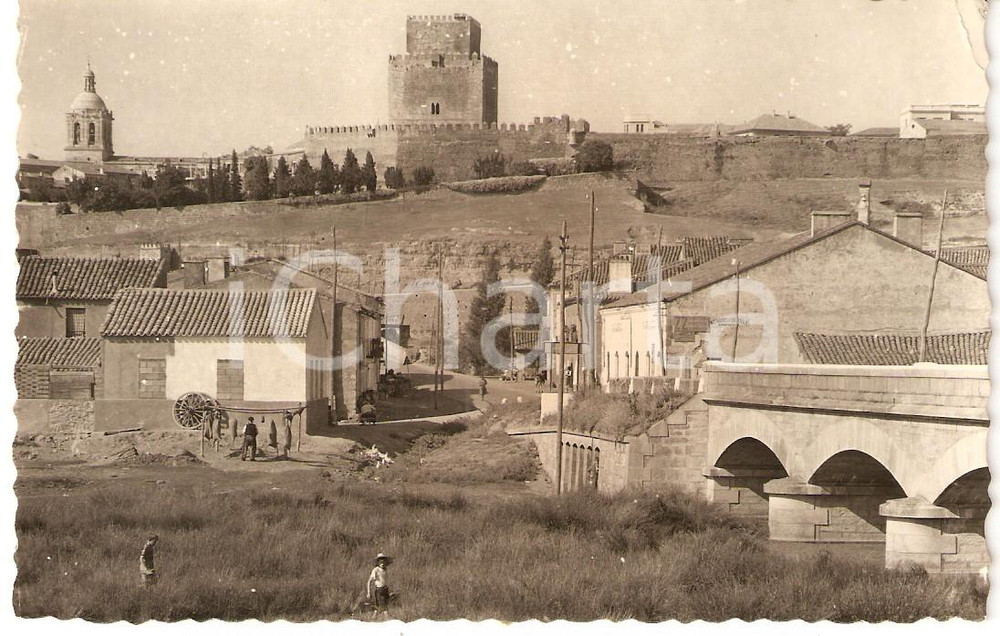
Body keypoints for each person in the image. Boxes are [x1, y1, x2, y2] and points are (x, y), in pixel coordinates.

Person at [366, 553, 392, 618]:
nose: (382, 563)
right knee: (384, 607)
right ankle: (388, 620)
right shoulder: (376, 570)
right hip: (379, 590)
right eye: (380, 562)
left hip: (385, 589)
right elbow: (369, 581)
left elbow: (385, 580)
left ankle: (372, 619)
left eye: (383, 561)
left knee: (377, 607)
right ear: (378, 562)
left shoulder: (385, 570)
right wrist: (368, 592)